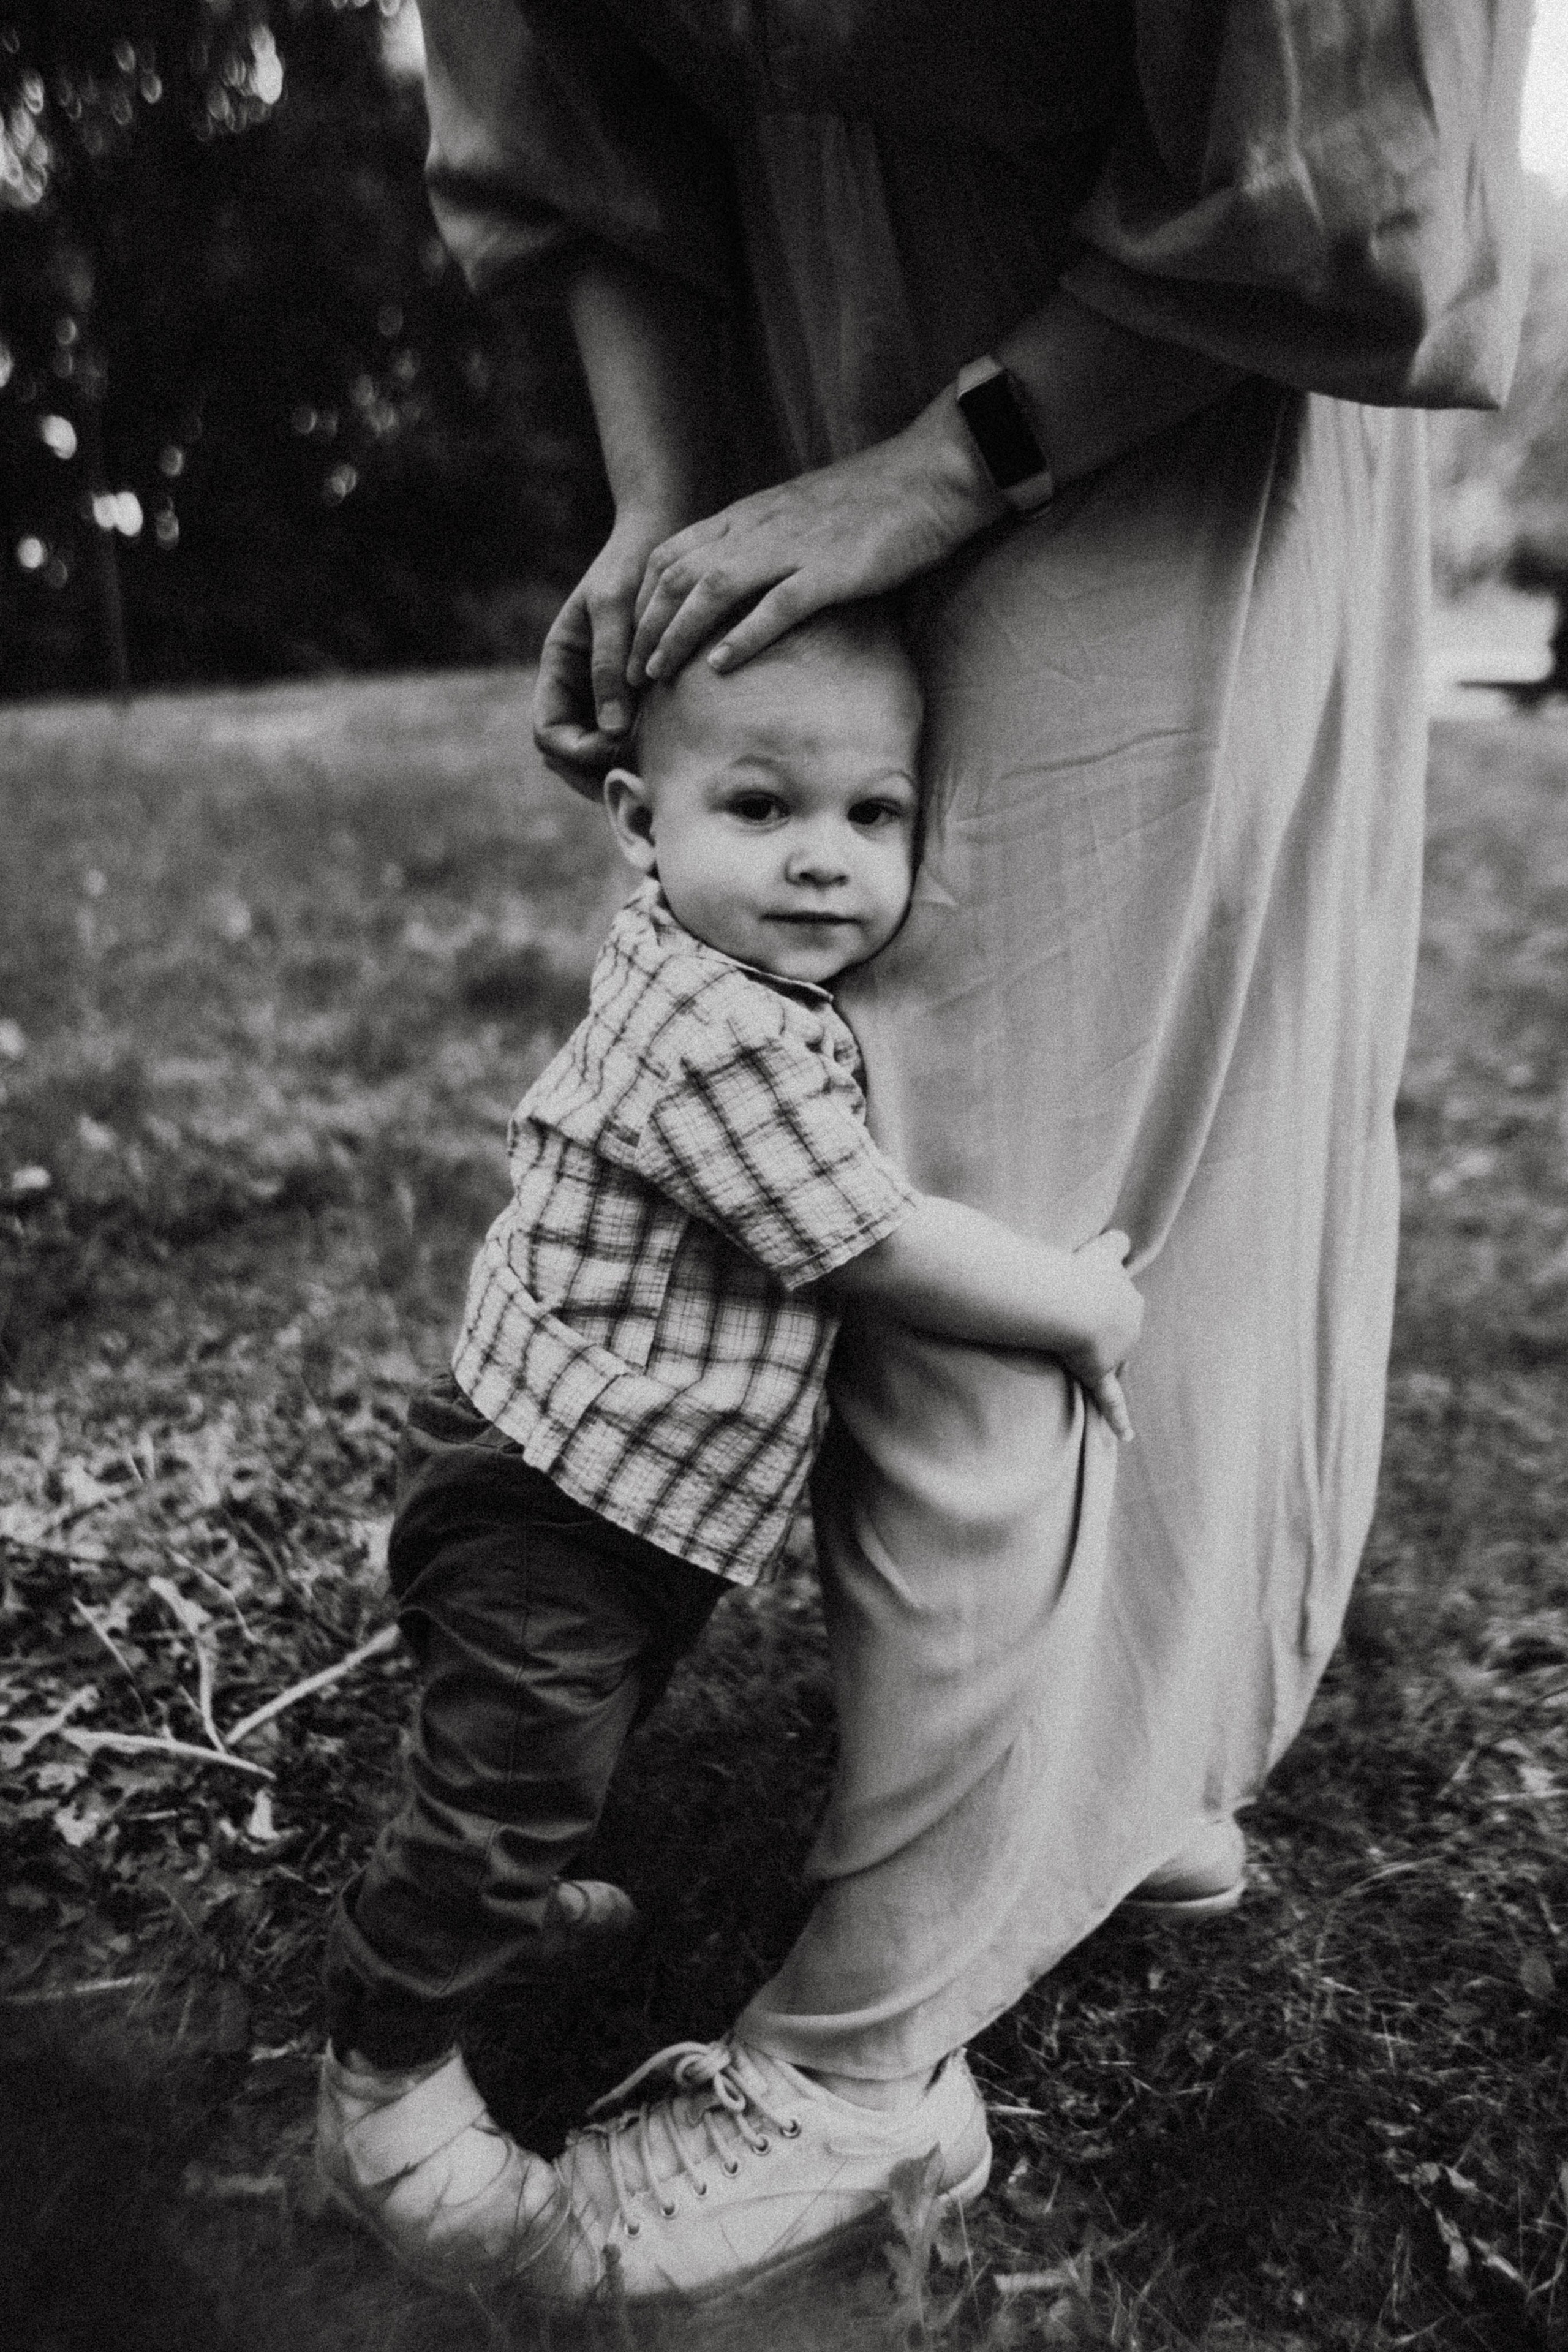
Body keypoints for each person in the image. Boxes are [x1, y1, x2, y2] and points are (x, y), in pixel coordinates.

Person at [380, 0, 1530, 2304]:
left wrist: (945, 460)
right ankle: (1097, 1786)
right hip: (787, 310)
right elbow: (557, 97)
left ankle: (873, 2043)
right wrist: (664, 485)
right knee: (935, 1077)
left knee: (995, 1136)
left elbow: (1334, 148)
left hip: (1168, 342)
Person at [315, 608, 1144, 2288]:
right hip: (551, 1497)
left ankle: (496, 1897)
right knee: (515, 1769)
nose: (826, 862)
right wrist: (1072, 1305)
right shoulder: (716, 1031)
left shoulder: (752, 984)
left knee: (551, 1748)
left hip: (612, 1487)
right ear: (639, 820)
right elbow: (873, 1244)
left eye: (875, 815)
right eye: (761, 811)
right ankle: (382, 2086)